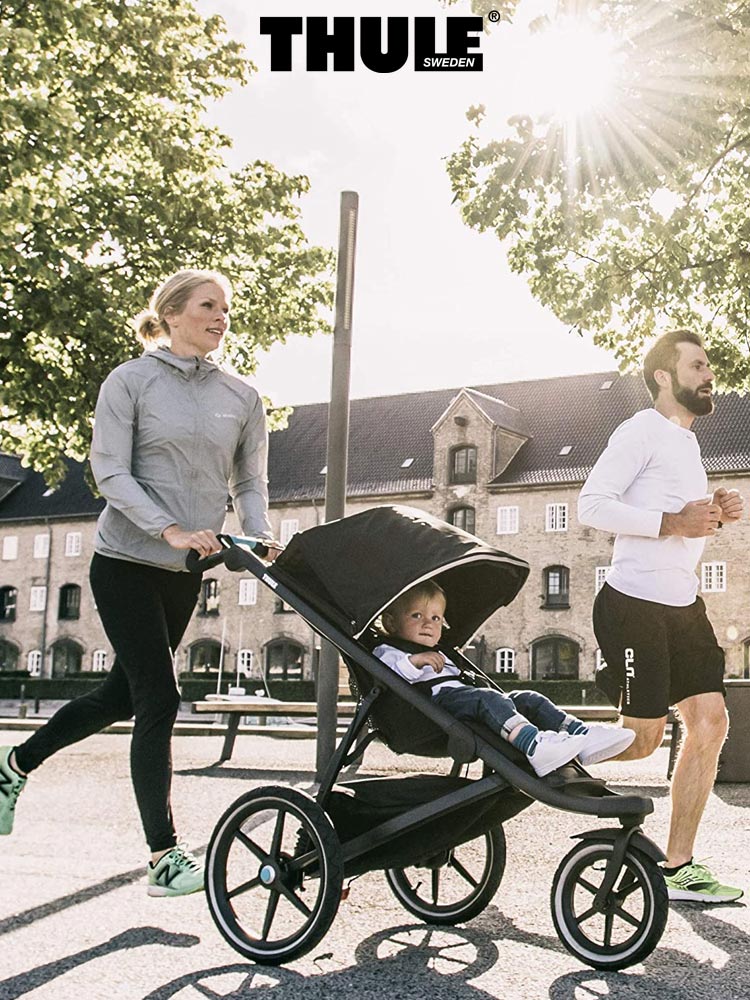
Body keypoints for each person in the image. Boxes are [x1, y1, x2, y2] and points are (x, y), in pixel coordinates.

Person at [0, 269, 278, 897]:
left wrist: (256, 535)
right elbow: (110, 473)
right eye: (209, 305)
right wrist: (171, 528)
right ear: (172, 312)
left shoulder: (242, 396)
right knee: (159, 697)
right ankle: (164, 857)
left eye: (226, 308)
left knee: (120, 698)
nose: (222, 317)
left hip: (183, 573)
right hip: (126, 560)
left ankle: (14, 764)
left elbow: (250, 483)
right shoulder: (130, 381)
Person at [578, 328, 744, 904]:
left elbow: (680, 520)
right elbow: (591, 504)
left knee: (711, 723)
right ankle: (551, 744)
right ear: (664, 377)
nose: (709, 373)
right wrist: (674, 521)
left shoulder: (689, 445)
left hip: (683, 604)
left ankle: (679, 867)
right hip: (634, 604)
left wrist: (712, 514)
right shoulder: (639, 430)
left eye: (708, 366)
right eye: (698, 365)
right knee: (643, 740)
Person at [373, 581, 635, 778]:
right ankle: (534, 745)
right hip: (433, 709)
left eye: (436, 618)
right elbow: (387, 675)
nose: (427, 624)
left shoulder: (442, 651)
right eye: (416, 616)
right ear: (392, 623)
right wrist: (415, 661)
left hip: (464, 701)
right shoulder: (389, 650)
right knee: (484, 698)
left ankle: (581, 734)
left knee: (528, 699)